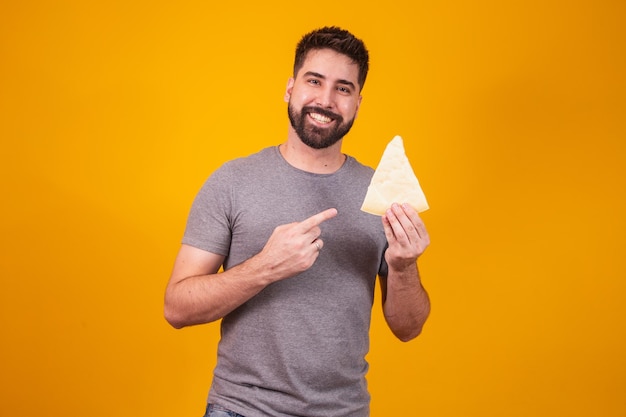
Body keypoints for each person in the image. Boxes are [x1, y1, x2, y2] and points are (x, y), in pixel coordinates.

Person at [164, 26, 431, 417]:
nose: (325, 99)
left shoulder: (381, 196)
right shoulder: (232, 181)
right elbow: (177, 308)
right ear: (290, 87)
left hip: (345, 410)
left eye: (343, 88)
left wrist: (404, 266)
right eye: (314, 81)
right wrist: (265, 267)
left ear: (358, 102)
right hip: (242, 408)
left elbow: (408, 328)